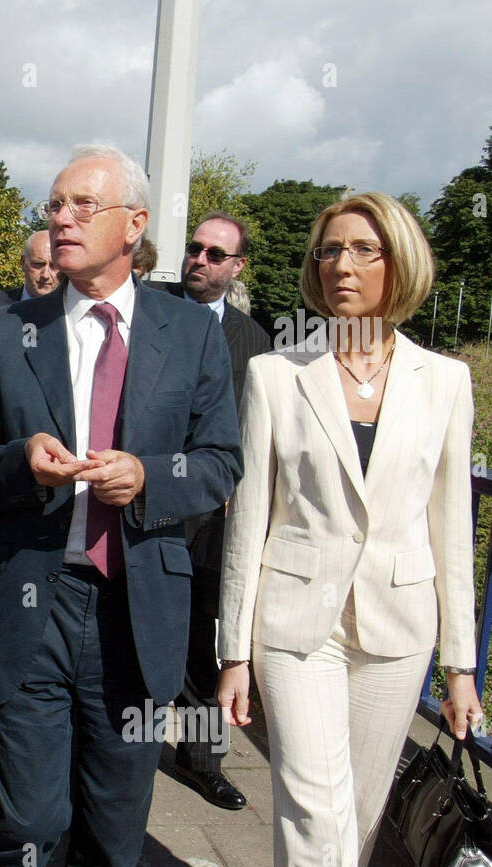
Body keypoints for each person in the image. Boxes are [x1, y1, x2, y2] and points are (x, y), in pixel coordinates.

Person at [0, 144, 242, 867]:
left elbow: (221, 464)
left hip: (136, 612)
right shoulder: (8, 334)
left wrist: (149, 478)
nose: (61, 219)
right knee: (27, 818)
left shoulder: (190, 334)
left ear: (134, 225)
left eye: (82, 205)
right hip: (32, 605)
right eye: (54, 205)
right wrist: (21, 464)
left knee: (113, 836)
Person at [216, 192, 482, 867]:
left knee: (356, 824)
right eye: (329, 250)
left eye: (364, 249)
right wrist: (232, 652)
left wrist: (460, 668)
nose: (342, 264)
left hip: (398, 628)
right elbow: (250, 522)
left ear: (400, 262)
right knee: (313, 814)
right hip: (297, 625)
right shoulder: (276, 374)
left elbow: (451, 528)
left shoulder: (445, 381)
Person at [153, 213, 272, 811]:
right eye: (194, 249)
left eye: (215, 254)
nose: (199, 260)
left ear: (236, 266)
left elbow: (256, 433)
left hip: (214, 517)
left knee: (205, 635)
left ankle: (201, 759)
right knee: (136, 626)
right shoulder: (149, 309)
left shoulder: (255, 344)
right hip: (142, 503)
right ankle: (123, 747)